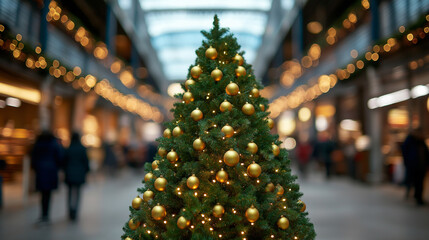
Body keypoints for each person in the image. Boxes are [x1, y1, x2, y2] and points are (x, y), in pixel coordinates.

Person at [31, 130, 63, 224]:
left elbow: (33, 158)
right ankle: (46, 215)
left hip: (41, 171)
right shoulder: (54, 144)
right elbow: (59, 157)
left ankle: (43, 214)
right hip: (51, 171)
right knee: (48, 194)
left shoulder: (38, 144)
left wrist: (36, 168)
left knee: (42, 194)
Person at [63, 132, 90, 221]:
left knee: (70, 192)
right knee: (78, 193)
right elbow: (86, 161)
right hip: (79, 173)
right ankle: (76, 211)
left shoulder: (68, 148)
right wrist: (86, 171)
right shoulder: (82, 149)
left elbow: (64, 161)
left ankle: (70, 210)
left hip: (70, 173)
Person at [401, 128, 429, 205]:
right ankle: (410, 193)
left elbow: (426, 153)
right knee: (412, 180)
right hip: (413, 165)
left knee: (420, 183)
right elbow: (404, 150)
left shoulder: (422, 142)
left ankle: (418, 197)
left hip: (421, 165)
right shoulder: (410, 140)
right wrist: (407, 162)